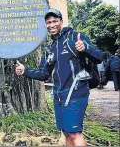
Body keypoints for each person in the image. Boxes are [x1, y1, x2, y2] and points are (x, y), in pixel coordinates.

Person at [15, 8, 103, 146]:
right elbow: (43, 74)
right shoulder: (51, 47)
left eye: (55, 21)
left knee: (75, 133)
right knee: (66, 132)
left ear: (61, 21)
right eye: (48, 22)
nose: (52, 25)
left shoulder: (75, 37)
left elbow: (99, 57)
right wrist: (25, 70)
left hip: (76, 92)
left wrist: (85, 47)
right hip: (58, 95)